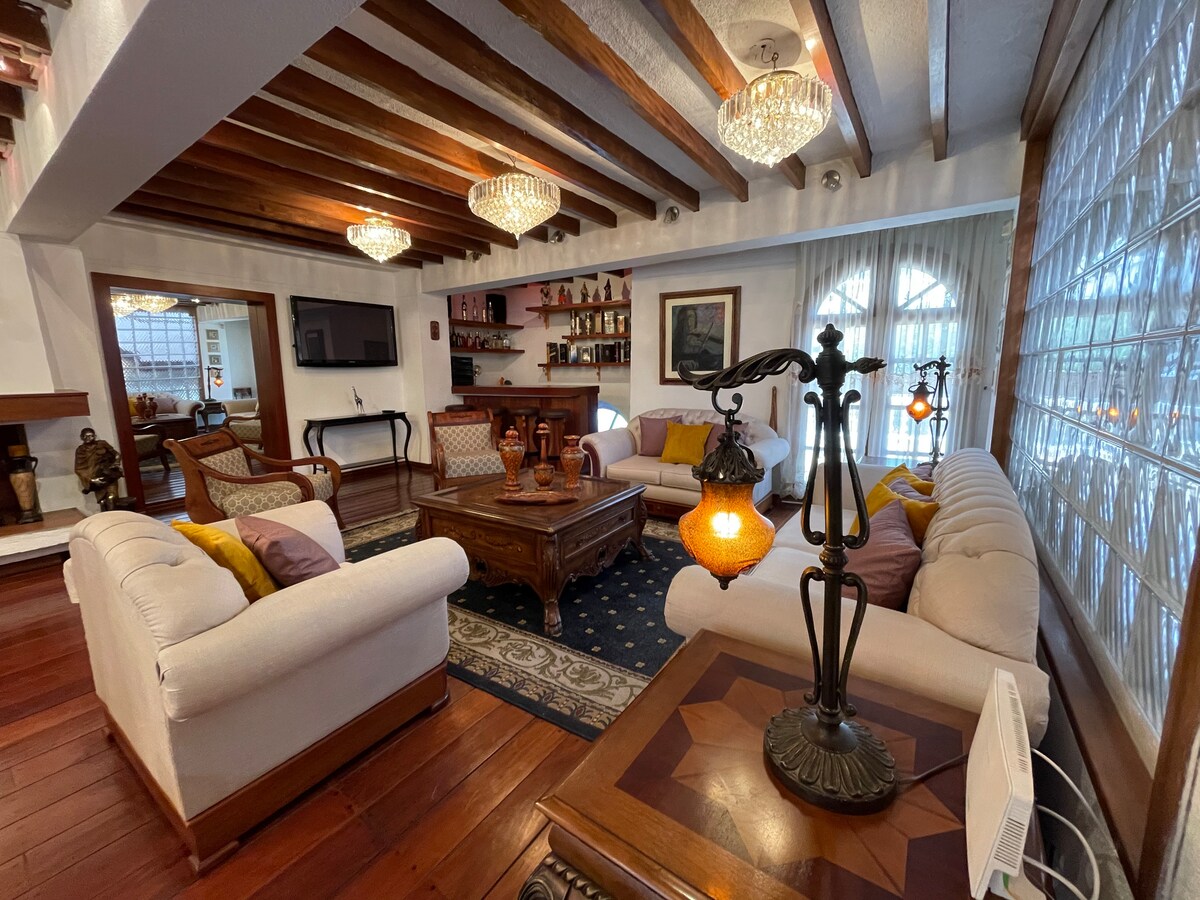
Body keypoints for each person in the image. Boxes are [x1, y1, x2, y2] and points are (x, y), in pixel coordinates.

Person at [74, 428, 124, 510]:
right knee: (102, 502)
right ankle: (106, 517)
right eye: (85, 436)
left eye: (91, 436)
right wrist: (91, 480)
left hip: (109, 476)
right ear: (81, 437)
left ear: (95, 436)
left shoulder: (102, 444)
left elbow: (116, 454)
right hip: (96, 478)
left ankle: (114, 516)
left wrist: (116, 463)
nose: (88, 438)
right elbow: (79, 469)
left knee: (111, 498)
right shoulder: (80, 450)